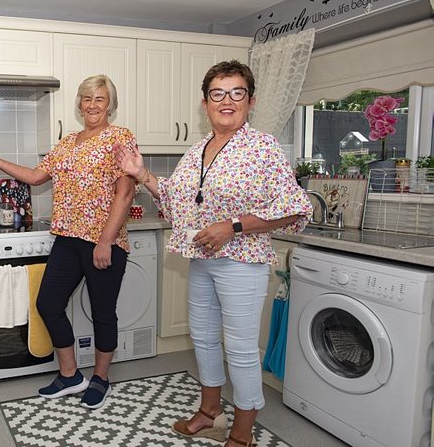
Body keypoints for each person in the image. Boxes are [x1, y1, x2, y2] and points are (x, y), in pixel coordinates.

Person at [115, 60, 312, 446]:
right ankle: (210, 413)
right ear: (205, 103)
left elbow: (293, 207)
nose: (227, 101)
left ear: (249, 101)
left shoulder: (262, 147)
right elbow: (179, 199)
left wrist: (233, 226)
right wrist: (143, 175)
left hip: (242, 261)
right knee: (203, 338)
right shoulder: (197, 149)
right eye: (217, 94)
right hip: (203, 260)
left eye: (236, 92)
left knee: (239, 349)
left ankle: (243, 433)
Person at [0, 74, 135, 409]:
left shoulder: (120, 138)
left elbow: (126, 192)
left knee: (103, 313)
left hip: (104, 241)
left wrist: (105, 241)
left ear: (110, 104)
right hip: (68, 239)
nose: (92, 105)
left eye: (100, 99)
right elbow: (35, 176)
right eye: (87, 99)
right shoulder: (67, 143)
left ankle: (100, 379)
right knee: (48, 304)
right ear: (79, 104)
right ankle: (70, 375)